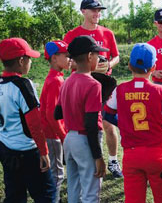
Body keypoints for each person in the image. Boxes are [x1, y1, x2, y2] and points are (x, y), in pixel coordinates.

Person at [104, 43, 162, 203]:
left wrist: (123, 124)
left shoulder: (120, 90)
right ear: (154, 67)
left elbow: (107, 114)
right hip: (157, 153)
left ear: (129, 66)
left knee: (134, 199)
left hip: (131, 154)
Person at [64, 0, 122, 178]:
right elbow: (66, 61)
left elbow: (116, 56)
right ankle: (83, 159)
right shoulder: (73, 34)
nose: (97, 13)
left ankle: (113, 161)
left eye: (99, 10)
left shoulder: (107, 33)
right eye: (93, 10)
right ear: (83, 11)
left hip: (103, 85)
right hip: (81, 84)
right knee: (82, 124)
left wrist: (109, 65)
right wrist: (89, 66)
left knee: (108, 123)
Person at [0, 38, 56, 202]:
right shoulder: (23, 84)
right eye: (29, 58)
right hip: (29, 152)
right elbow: (34, 123)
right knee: (47, 195)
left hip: (7, 150)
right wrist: (44, 151)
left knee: (14, 196)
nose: (30, 62)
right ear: (21, 60)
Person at [55, 35, 107, 203]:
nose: (99, 57)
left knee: (74, 190)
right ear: (90, 56)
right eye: (97, 54)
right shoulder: (93, 84)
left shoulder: (67, 82)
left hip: (70, 139)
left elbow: (58, 113)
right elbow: (91, 124)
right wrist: (98, 156)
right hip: (85, 140)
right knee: (91, 192)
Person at [40, 40, 70, 202]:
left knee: (55, 172)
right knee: (57, 174)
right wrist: (64, 136)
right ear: (54, 58)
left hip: (54, 133)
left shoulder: (57, 77)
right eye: (65, 55)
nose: (69, 59)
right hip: (52, 134)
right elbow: (51, 114)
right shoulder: (55, 81)